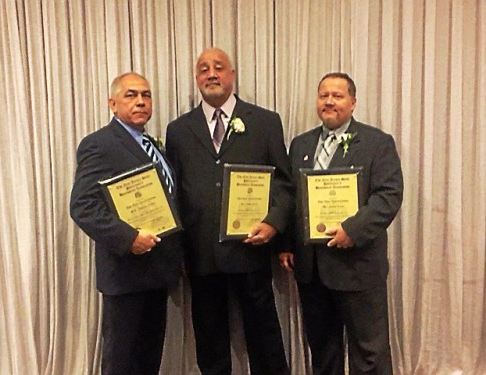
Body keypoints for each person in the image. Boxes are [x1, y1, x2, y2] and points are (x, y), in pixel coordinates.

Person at [166, 48, 293, 375]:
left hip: (251, 248)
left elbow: (283, 183)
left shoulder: (265, 122)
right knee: (209, 339)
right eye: (204, 69)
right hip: (201, 253)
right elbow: (175, 192)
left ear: (232, 75)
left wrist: (274, 224)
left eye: (219, 67)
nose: (211, 74)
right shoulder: (178, 130)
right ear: (196, 79)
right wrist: (177, 251)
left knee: (264, 335)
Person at [280, 72, 403, 374]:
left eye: (338, 95)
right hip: (312, 270)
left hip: (358, 265)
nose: (329, 101)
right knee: (323, 349)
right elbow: (291, 199)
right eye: (324, 95)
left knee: (369, 352)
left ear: (353, 102)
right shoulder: (300, 144)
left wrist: (353, 229)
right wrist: (286, 245)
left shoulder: (377, 143)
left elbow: (388, 196)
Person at [70, 72, 183, 375]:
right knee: (121, 362)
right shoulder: (99, 144)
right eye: (131, 95)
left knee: (148, 360)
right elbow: (82, 206)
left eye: (146, 95)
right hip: (125, 274)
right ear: (112, 103)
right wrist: (128, 238)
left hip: (158, 272)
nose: (141, 102)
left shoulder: (155, 145)